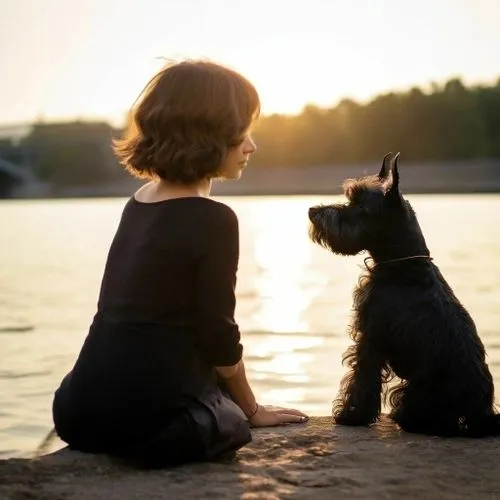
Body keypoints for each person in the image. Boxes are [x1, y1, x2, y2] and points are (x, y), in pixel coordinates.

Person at [51, 59, 309, 468]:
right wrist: (251, 410)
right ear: (208, 133)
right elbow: (219, 336)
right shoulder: (214, 218)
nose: (251, 146)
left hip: (76, 410)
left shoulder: (138, 202)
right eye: (242, 132)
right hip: (152, 428)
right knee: (230, 420)